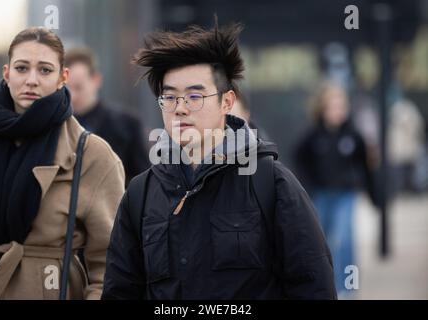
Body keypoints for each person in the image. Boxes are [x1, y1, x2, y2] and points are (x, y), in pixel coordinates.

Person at [102, 21, 336, 300]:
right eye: (169, 97)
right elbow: (121, 291)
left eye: (194, 96)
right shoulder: (140, 194)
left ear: (227, 102)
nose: (180, 108)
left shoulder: (271, 183)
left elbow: (312, 284)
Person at [0, 27, 125, 299]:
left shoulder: (92, 154)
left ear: (62, 78)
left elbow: (110, 266)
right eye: (22, 68)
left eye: (45, 70)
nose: (31, 80)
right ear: (6, 73)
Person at [295, 81, 375, 298]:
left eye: (341, 105)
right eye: (333, 105)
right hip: (321, 195)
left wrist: (374, 195)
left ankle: (349, 289)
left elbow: (365, 167)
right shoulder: (312, 136)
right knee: (324, 244)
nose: (338, 110)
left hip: (346, 195)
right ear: (323, 107)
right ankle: (328, 287)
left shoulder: (353, 135)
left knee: (346, 239)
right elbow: (300, 161)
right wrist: (307, 188)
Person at [65, 48, 149, 184]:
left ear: (96, 80)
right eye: (66, 89)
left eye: (78, 87)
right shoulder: (56, 126)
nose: (72, 96)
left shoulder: (128, 124)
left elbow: (142, 179)